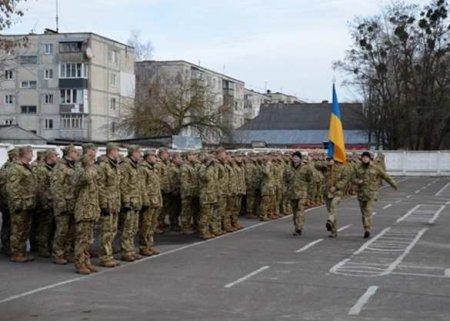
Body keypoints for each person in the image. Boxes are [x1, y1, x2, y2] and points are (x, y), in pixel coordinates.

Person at [353, 151, 398, 238]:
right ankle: (365, 228)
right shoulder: (357, 168)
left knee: (368, 211)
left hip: (372, 193)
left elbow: (385, 176)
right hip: (361, 194)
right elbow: (352, 178)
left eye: (367, 157)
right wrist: (358, 181)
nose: (365, 159)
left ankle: (368, 229)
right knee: (363, 213)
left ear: (369, 158)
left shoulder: (375, 167)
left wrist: (393, 183)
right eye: (363, 157)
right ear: (361, 158)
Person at [6, 146, 37, 262]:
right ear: (25, 154)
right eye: (30, 153)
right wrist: (17, 204)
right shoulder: (16, 168)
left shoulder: (27, 167)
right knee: (17, 230)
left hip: (28, 204)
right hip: (20, 204)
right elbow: (12, 188)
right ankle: (15, 253)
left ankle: (22, 252)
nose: (32, 155)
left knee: (25, 229)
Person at [72, 154, 100, 274]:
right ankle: (79, 263)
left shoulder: (89, 172)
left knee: (88, 239)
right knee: (82, 239)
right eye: (92, 160)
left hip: (91, 210)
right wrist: (88, 167)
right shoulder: (81, 172)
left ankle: (86, 262)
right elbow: (86, 178)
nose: (94, 162)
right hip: (83, 210)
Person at [51, 145, 78, 265]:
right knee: (62, 230)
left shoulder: (73, 165)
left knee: (71, 230)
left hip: (72, 203)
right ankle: (58, 254)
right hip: (63, 204)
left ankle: (67, 252)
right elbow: (56, 187)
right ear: (69, 153)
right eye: (74, 152)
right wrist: (61, 205)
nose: (76, 154)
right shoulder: (60, 167)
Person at [97, 143, 122, 267]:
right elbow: (101, 186)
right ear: (111, 151)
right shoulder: (104, 166)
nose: (119, 153)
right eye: (117, 150)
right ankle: (105, 257)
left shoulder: (114, 165)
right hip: (107, 203)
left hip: (114, 202)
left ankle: (109, 254)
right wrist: (103, 204)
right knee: (106, 231)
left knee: (112, 231)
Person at [119, 145, 143, 262]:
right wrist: (126, 201)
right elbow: (123, 185)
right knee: (127, 228)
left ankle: (131, 250)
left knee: (133, 228)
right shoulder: (125, 166)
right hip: (129, 202)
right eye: (138, 152)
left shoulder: (136, 166)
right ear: (133, 153)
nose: (140, 155)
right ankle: (126, 251)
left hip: (136, 200)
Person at [316, 157, 350, 238]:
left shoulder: (343, 167)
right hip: (327, 192)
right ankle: (333, 231)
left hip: (337, 192)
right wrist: (328, 163)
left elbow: (345, 179)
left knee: (333, 206)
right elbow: (316, 165)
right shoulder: (327, 166)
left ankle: (330, 220)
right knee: (330, 210)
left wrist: (336, 186)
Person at [34, 149, 58, 257]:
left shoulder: (55, 168)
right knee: (44, 227)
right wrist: (43, 203)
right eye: (55, 156)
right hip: (46, 202)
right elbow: (40, 188)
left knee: (53, 226)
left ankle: (50, 246)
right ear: (50, 157)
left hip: (55, 202)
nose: (57, 157)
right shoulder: (42, 169)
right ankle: (42, 248)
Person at [139, 149, 162, 256]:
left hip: (155, 200)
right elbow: (142, 187)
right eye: (154, 156)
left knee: (152, 225)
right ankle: (144, 246)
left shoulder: (153, 168)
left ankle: (149, 245)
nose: (156, 158)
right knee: (146, 225)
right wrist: (145, 201)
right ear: (148, 157)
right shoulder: (143, 169)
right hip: (149, 201)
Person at [284, 151, 312, 236]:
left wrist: (308, 191)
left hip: (302, 192)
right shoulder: (288, 168)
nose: (295, 158)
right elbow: (284, 179)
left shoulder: (305, 168)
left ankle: (300, 227)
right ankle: (296, 228)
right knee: (295, 212)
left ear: (300, 159)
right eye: (294, 157)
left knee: (300, 210)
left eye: (297, 157)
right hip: (292, 192)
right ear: (292, 158)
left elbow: (309, 178)